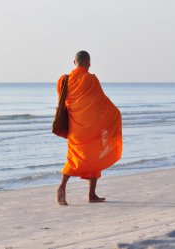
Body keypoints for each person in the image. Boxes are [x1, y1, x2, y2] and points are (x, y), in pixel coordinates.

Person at [56, 51, 122, 205]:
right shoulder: (90, 79)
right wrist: (115, 115)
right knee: (95, 155)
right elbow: (101, 102)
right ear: (87, 62)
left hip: (75, 128)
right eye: (89, 63)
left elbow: (63, 102)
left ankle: (71, 188)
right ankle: (83, 192)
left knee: (74, 157)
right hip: (91, 128)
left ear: (74, 62)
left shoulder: (63, 80)